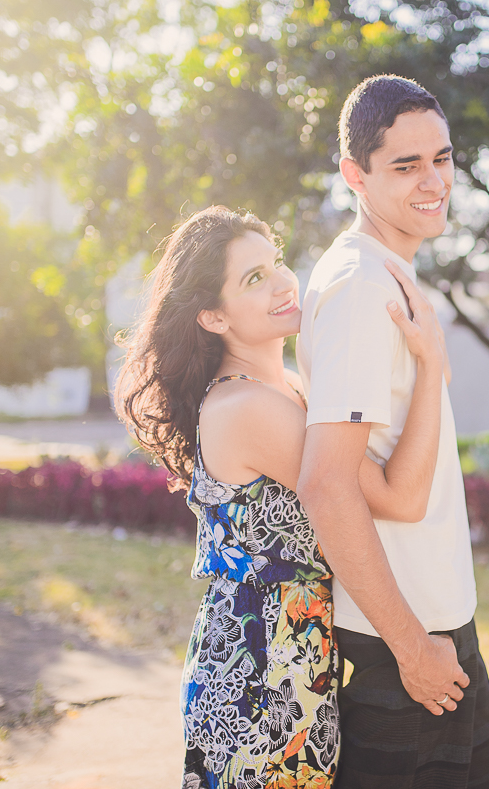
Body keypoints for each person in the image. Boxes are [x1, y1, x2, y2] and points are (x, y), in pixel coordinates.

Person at [113, 204, 449, 789]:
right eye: (253, 279)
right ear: (213, 317)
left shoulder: (287, 389)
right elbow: (400, 496)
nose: (283, 283)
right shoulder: (252, 409)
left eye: (276, 264)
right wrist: (431, 362)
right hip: (261, 679)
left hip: (286, 661)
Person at [296, 75, 489, 788]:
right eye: (405, 166)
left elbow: (388, 485)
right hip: (405, 644)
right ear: (354, 174)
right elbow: (324, 484)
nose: (433, 181)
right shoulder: (361, 288)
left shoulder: (381, 275)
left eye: (441, 159)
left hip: (434, 628)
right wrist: (413, 649)